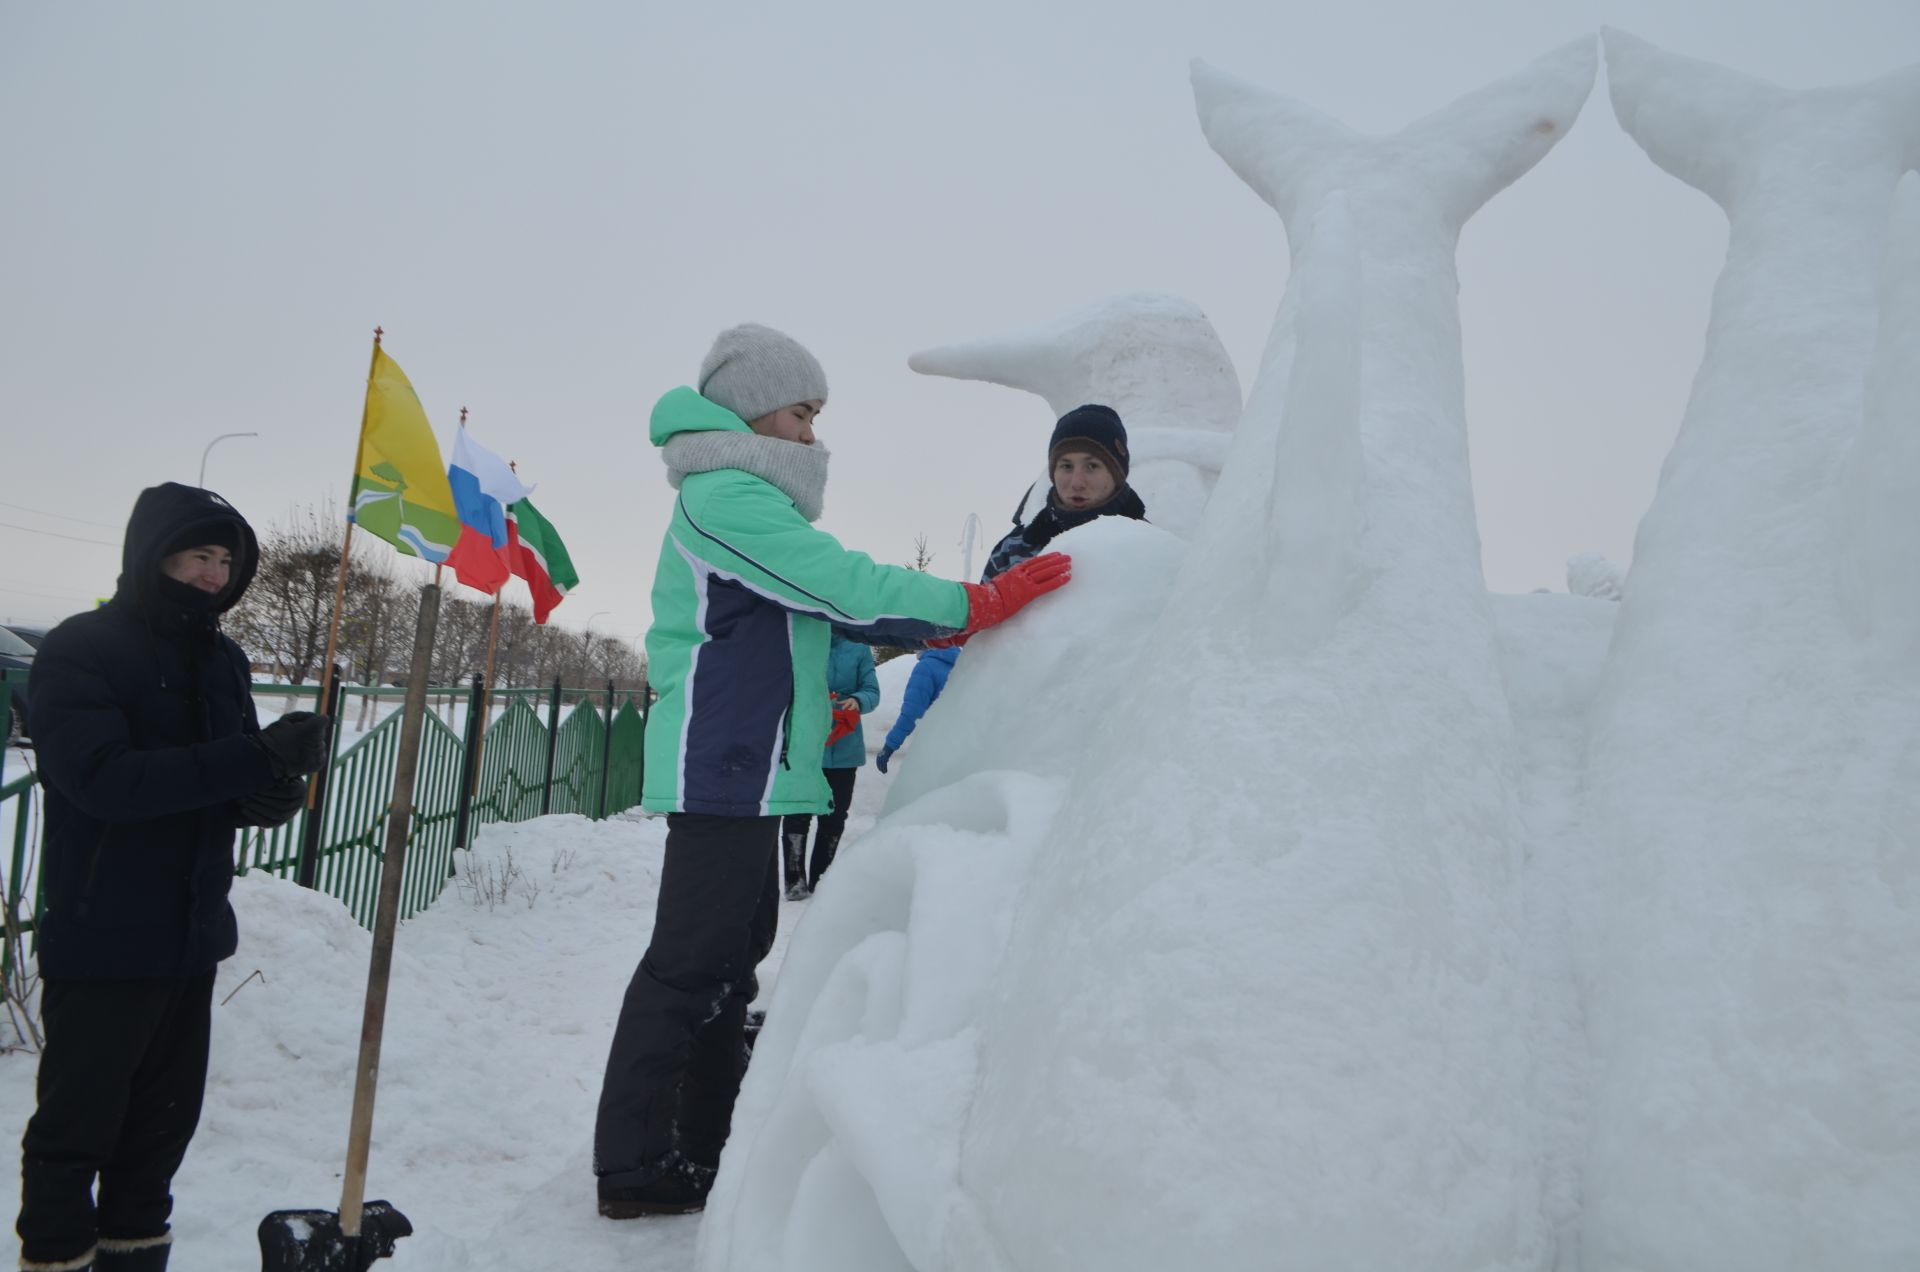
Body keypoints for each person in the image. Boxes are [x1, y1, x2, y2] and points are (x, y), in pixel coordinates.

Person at [594, 323, 1072, 1219]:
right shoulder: (724, 495)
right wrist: (972, 601)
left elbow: (837, 616)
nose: (813, 435)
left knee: (733, 963)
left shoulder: (745, 500)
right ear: (752, 407)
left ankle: (704, 1137)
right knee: (690, 966)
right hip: (721, 763)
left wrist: (940, 623)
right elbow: (840, 584)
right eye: (802, 413)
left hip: (751, 764)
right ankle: (632, 1164)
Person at [17, 483, 332, 1272]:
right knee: (75, 1133)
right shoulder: (82, 648)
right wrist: (249, 759)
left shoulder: (222, 658)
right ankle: (55, 1258)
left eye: (226, 560)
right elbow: (105, 782)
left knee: (158, 1138)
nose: (213, 573)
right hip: (105, 936)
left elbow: (232, 791)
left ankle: (134, 1258)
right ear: (153, 553)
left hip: (191, 936)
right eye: (199, 554)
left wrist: (281, 779)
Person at [873, 404, 1147, 776]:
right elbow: (981, 632)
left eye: (1092, 466)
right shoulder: (1017, 547)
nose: (1076, 482)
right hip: (1016, 732)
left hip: (1108, 730)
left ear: (1117, 472)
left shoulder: (1145, 546)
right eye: (1065, 466)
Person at [780, 630, 878, 899]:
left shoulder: (859, 648)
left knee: (834, 817)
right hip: (806, 746)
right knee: (797, 812)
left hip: (845, 748)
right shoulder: (801, 643)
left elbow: (872, 691)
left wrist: (858, 700)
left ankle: (821, 881)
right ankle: (794, 882)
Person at [873, 645, 958, 774]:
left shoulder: (926, 667)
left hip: (935, 748)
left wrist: (889, 746)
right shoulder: (962, 664)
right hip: (960, 747)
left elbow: (912, 712)